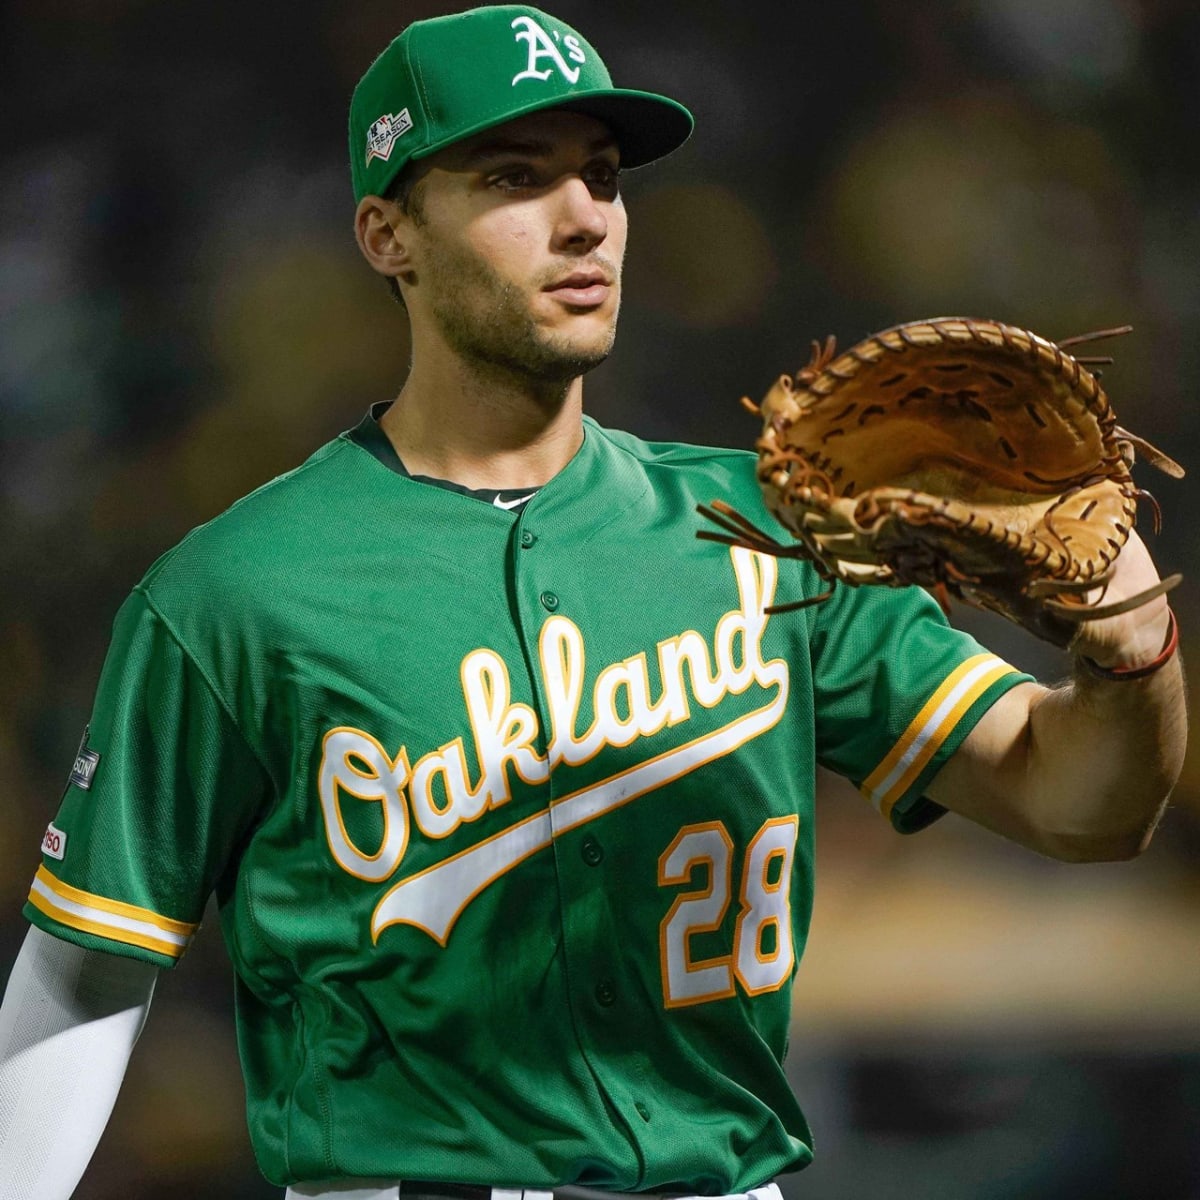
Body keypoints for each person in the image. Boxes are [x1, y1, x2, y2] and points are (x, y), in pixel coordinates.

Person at [0, 6, 1185, 1199]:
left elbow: (1076, 803)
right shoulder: (237, 590)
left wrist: (1134, 653)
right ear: (387, 233)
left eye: (604, 177)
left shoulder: (770, 532)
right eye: (516, 177)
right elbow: (82, 976)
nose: (586, 219)